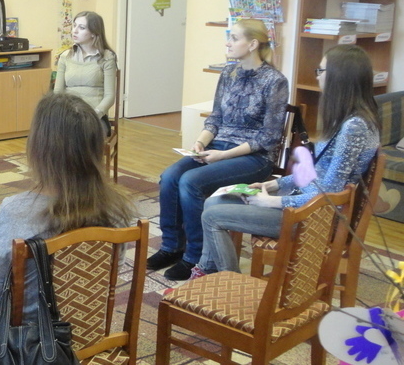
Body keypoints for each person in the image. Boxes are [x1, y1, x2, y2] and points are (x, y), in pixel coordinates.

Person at [0, 93, 134, 348]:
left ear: (39, 148)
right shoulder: (117, 209)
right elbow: (112, 273)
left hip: (26, 336)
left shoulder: (16, 211)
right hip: (87, 324)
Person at [193, 45, 380, 276]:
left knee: (212, 217)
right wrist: (273, 185)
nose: (318, 76)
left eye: (321, 70)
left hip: (312, 218)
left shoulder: (354, 127)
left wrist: (272, 202)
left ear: (339, 77)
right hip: (304, 204)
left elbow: (328, 194)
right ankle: (208, 269)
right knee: (214, 202)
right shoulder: (349, 120)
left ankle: (228, 282)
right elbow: (315, 173)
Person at [148, 18, 289, 280]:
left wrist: (223, 155)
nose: (227, 43)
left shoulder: (275, 81)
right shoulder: (228, 73)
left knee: (190, 181)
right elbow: (215, 118)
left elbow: (268, 138)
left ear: (253, 44)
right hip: (218, 146)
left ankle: (195, 256)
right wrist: (201, 142)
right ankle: (171, 247)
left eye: (234, 38)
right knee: (170, 176)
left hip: (253, 157)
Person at [53, 11, 117, 136]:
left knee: (81, 134)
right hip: (68, 115)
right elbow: (58, 93)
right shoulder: (65, 56)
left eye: (81, 28)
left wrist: (94, 115)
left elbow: (109, 96)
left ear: (94, 32)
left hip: (95, 117)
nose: (75, 31)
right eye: (74, 26)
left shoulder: (107, 57)